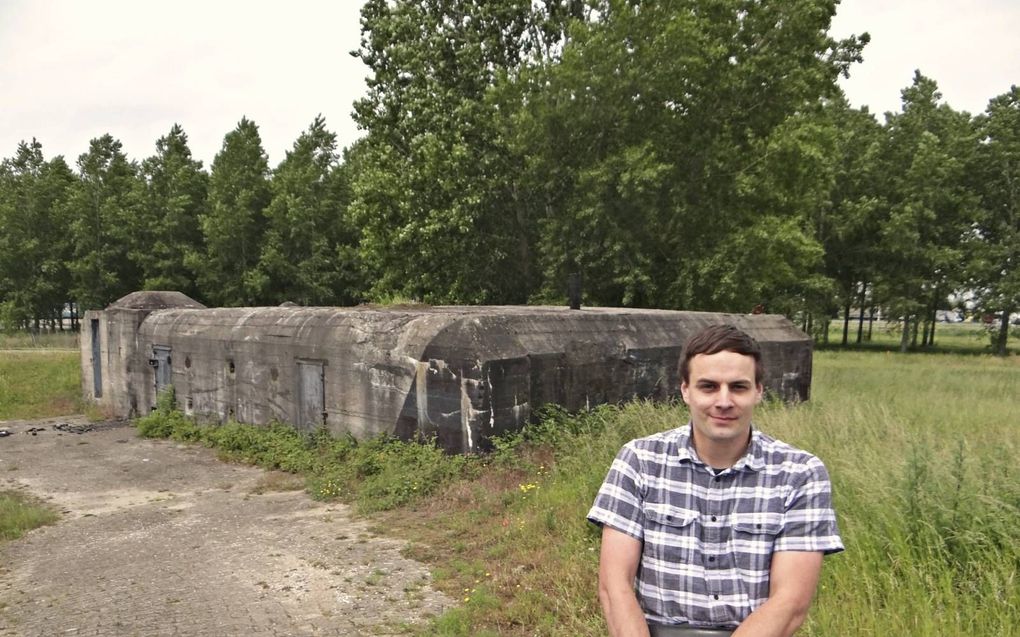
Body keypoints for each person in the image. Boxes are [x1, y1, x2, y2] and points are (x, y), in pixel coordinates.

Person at [587, 324, 843, 637]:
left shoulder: (801, 474)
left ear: (759, 391)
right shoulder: (639, 460)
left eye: (738, 387)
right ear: (685, 390)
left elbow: (790, 603)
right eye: (708, 386)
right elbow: (615, 587)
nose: (724, 401)